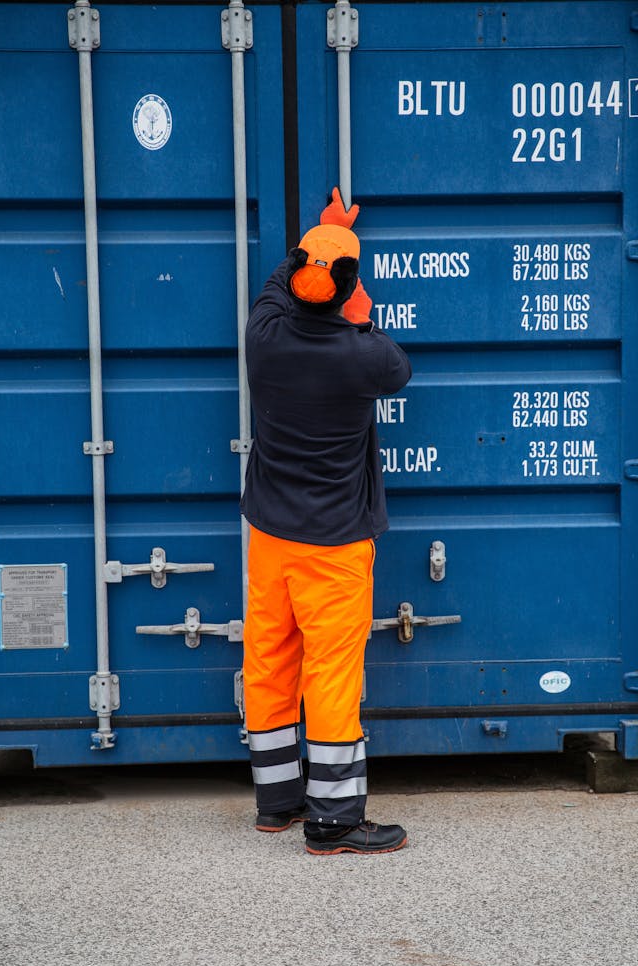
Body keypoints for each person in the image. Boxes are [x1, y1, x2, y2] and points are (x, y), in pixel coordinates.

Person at [240, 188, 412, 856]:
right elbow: (400, 369)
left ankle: (277, 802)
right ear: (348, 289)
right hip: (334, 546)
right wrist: (363, 319)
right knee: (332, 674)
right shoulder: (363, 355)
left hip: (271, 539)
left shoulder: (264, 337)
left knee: (270, 659)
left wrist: (322, 233)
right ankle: (334, 821)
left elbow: (277, 283)